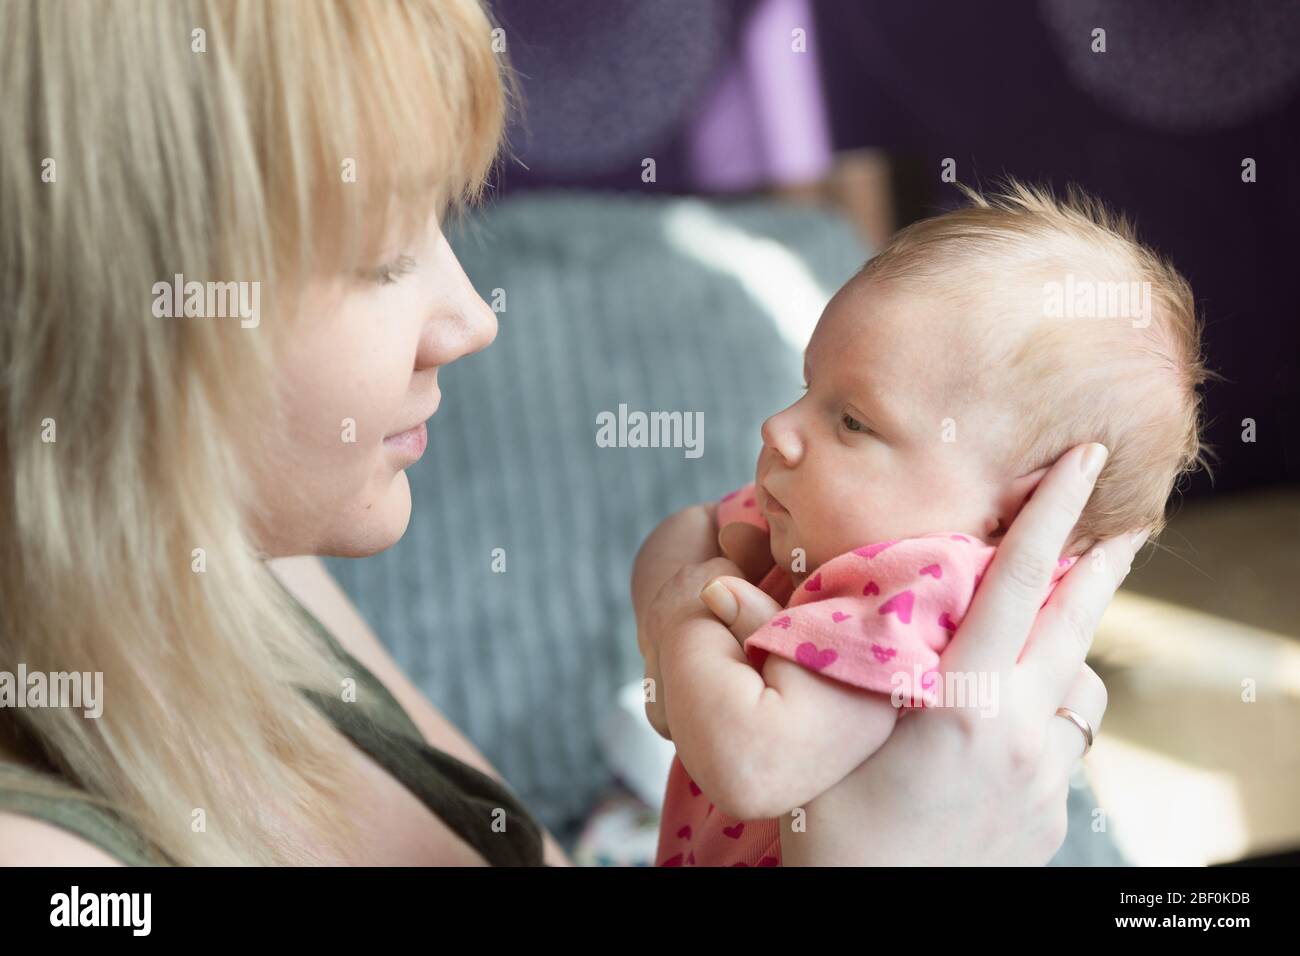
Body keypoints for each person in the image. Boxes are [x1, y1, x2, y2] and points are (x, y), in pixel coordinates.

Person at [0, 0, 1138, 866]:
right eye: (381, 255)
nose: (468, 317)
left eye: (444, 221)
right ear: (118, 319)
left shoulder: (249, 573)